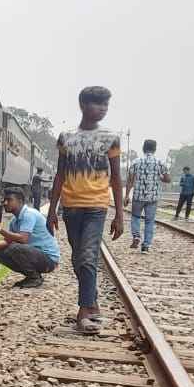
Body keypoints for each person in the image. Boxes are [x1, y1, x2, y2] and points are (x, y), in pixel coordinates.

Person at [46, 86, 124, 333]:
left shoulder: (111, 138)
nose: (102, 109)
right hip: (71, 206)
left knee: (88, 256)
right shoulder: (66, 137)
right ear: (82, 105)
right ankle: (93, 302)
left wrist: (119, 214)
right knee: (78, 258)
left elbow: (116, 178)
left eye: (105, 104)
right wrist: (51, 210)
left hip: (97, 205)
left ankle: (84, 311)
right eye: (97, 103)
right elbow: (60, 175)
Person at [0, 188, 61, 288]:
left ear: (20, 201)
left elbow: (23, 239)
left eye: (9, 200)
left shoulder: (29, 214)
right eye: (4, 200)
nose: (5, 203)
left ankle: (34, 278)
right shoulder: (14, 221)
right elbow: (7, 241)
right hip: (36, 255)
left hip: (49, 259)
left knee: (14, 248)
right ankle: (32, 276)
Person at [124, 139, 170, 253]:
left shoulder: (136, 162)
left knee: (135, 217)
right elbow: (168, 179)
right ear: (155, 149)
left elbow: (130, 181)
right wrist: (160, 177)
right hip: (152, 197)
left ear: (143, 148)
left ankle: (136, 236)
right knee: (149, 221)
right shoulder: (160, 163)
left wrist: (126, 196)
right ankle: (146, 245)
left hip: (138, 196)